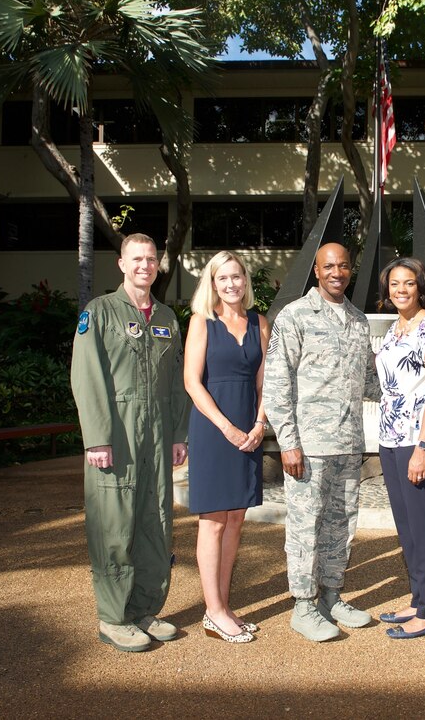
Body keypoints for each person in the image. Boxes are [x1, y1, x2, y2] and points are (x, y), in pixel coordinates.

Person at [71, 233, 191, 653]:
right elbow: (87, 377)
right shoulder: (99, 312)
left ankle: (143, 608)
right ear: (121, 263)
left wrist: (179, 433)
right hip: (117, 431)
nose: (145, 265)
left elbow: (176, 382)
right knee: (114, 523)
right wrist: (98, 438)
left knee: (154, 521)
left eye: (151, 258)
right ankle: (113, 617)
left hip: (158, 432)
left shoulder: (167, 317)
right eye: (136, 258)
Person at [263, 242, 379, 642]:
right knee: (304, 527)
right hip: (308, 445)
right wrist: (288, 443)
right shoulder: (294, 317)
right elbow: (277, 385)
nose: (337, 272)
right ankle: (303, 604)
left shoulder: (358, 321)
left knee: (341, 524)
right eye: (329, 266)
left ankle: (332, 594)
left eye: (344, 266)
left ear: (351, 271)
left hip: (348, 444)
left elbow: (371, 383)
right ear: (316, 270)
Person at [184, 251, 269, 644]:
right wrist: (227, 428)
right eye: (223, 279)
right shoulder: (202, 322)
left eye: (237, 277)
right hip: (213, 430)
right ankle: (214, 611)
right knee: (213, 520)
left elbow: (264, 384)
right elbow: (192, 382)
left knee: (236, 518)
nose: (232, 284)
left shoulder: (259, 323)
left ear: (245, 281)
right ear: (212, 284)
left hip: (249, 432)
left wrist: (258, 424)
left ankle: (221, 606)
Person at [373, 258, 425, 640]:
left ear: (421, 286)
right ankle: (419, 600)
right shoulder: (394, 328)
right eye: (394, 284)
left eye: (408, 283)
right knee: (407, 527)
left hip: (422, 439)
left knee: (423, 527)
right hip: (391, 439)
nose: (400, 289)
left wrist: (422, 447)